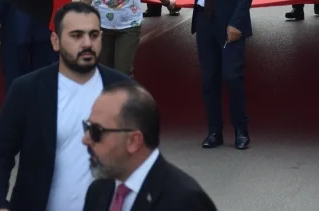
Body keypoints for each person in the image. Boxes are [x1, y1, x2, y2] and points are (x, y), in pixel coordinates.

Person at [0, 3, 129, 211]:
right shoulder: (27, 90)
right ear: (55, 41)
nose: (87, 43)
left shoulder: (124, 90)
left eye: (94, 35)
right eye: (76, 35)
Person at [81, 81, 217, 211]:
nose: (85, 139)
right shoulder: (98, 191)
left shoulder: (185, 202)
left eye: (96, 131)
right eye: (87, 127)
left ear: (133, 141)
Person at [191, 0, 255, 150]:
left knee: (232, 77)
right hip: (204, 23)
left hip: (231, 26)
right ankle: (214, 132)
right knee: (209, 80)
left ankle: (241, 130)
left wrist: (236, 23)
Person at [0, 0, 56, 91]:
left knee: (14, 76)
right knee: (42, 76)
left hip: (15, 27)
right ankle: (39, 105)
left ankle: (18, 105)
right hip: (45, 29)